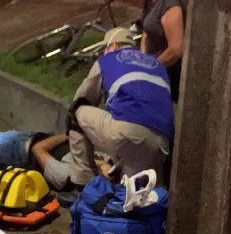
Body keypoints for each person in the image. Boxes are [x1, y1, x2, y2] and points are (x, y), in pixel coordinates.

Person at [58, 27, 175, 205]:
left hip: (128, 134)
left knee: (76, 113)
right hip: (162, 144)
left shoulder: (108, 60)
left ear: (112, 46)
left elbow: (82, 99)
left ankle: (83, 187)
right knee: (135, 201)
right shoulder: (157, 65)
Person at [139, 0, 188, 103]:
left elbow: (176, 50)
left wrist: (150, 69)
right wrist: (142, 60)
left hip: (166, 75)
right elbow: (146, 28)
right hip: (150, 64)